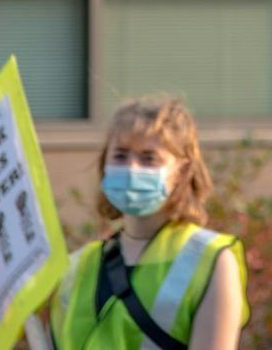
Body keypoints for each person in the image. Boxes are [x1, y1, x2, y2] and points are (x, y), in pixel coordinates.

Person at [50, 96, 248, 350]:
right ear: (104, 164)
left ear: (182, 172)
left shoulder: (209, 259)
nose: (132, 168)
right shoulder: (79, 267)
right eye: (120, 156)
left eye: (148, 158)